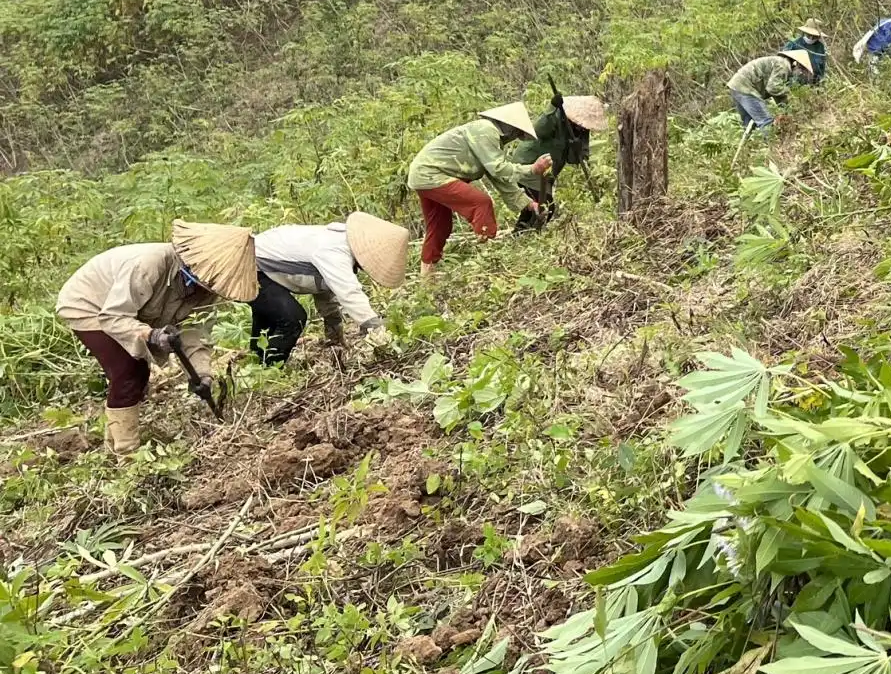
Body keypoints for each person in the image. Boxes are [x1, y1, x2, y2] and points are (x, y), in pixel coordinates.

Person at [54, 220, 259, 454]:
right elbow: (113, 316)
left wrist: (202, 374)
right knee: (129, 372)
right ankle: (127, 454)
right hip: (90, 304)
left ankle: (112, 446)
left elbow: (195, 333)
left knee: (134, 378)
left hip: (129, 312)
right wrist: (150, 335)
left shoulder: (207, 289)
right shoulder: (150, 265)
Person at [406, 103, 554, 278]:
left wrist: (528, 204)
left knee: (440, 226)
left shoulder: (489, 137)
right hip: (432, 175)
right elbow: (499, 169)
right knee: (481, 203)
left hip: (424, 176)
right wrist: (532, 169)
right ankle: (487, 259)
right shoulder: (486, 130)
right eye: (516, 132)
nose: (515, 137)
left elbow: (499, 177)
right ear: (510, 127)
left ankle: (426, 277)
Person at [249, 212, 411, 364]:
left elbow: (323, 288)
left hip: (261, 265)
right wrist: (374, 328)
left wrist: (334, 330)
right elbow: (349, 292)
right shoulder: (335, 251)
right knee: (293, 318)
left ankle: (256, 360)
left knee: (269, 317)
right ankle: (269, 367)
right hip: (252, 268)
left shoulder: (338, 242)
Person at [510, 92, 610, 233]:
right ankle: (526, 234)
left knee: (543, 206)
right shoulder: (556, 117)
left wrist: (577, 148)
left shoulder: (582, 131)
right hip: (530, 164)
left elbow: (576, 159)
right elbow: (539, 130)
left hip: (548, 172)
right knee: (544, 206)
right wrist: (551, 107)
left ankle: (524, 234)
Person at [728, 49, 816, 131]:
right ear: (797, 64)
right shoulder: (783, 65)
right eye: (802, 71)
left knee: (750, 125)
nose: (800, 74)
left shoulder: (780, 63)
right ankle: (770, 147)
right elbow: (773, 88)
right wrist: (789, 93)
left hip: (736, 86)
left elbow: (778, 94)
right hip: (746, 88)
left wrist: (786, 109)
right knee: (766, 122)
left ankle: (748, 146)